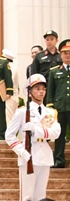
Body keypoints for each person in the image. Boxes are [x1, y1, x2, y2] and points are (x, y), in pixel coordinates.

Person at [6, 74, 60, 201]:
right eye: (37, 89)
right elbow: (9, 135)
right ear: (30, 92)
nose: (41, 92)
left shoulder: (50, 112)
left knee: (40, 194)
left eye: (43, 89)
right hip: (28, 155)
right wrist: (22, 152)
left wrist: (37, 130)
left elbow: (56, 132)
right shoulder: (22, 112)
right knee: (27, 194)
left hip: (44, 155)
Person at [45, 39, 70, 167]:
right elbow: (50, 91)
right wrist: (50, 107)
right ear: (61, 54)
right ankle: (59, 160)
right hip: (59, 108)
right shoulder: (54, 71)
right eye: (65, 53)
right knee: (59, 135)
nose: (68, 55)